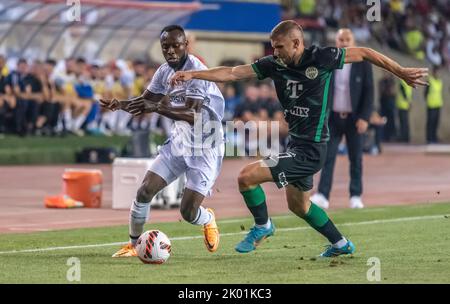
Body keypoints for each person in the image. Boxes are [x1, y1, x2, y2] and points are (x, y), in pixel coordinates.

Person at [171, 20, 428, 257]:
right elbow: (233, 72)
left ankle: (263, 226)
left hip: (312, 150)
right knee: (300, 207)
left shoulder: (322, 57)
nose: (275, 52)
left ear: (297, 43)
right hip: (295, 144)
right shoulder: (274, 64)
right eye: (273, 47)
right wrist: (194, 74)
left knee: (246, 177)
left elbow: (365, 53)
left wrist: (400, 71)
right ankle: (341, 244)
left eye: (280, 47)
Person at [100, 25, 224, 257]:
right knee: (145, 190)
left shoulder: (197, 71)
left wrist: (157, 107)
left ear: (186, 45)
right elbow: (145, 101)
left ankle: (207, 218)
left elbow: (194, 115)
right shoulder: (164, 71)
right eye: (165, 46)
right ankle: (134, 245)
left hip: (206, 146)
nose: (170, 51)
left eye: (175, 45)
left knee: (188, 212)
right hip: (179, 142)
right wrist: (121, 105)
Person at [311, 28, 374, 210]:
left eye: (347, 39)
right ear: (336, 41)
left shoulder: (363, 62)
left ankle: (355, 195)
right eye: (341, 39)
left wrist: (364, 117)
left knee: (356, 158)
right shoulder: (329, 62)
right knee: (327, 157)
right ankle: (322, 195)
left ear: (353, 41)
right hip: (333, 118)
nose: (344, 43)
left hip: (355, 119)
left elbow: (369, 92)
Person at [424, 66, 444, 144]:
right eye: (436, 71)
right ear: (433, 72)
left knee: (436, 122)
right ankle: (429, 138)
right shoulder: (430, 80)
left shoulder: (439, 81)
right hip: (431, 105)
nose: (437, 73)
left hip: (438, 104)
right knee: (430, 122)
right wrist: (428, 101)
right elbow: (425, 93)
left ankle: (434, 137)